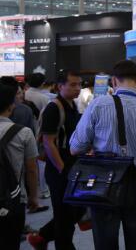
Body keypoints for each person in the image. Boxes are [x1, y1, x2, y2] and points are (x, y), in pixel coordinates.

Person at [69, 60, 136, 250]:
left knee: (105, 243)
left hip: (104, 182)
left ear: (113, 81)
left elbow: (75, 148)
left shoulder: (98, 105)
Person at [28, 70, 86, 250]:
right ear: (60, 86)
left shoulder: (72, 105)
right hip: (59, 169)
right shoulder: (54, 107)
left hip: (72, 166)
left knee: (74, 211)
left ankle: (42, 237)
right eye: (73, 84)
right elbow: (48, 142)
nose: (78, 88)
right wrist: (62, 169)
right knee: (65, 217)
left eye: (79, 84)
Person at [0, 83, 39, 250]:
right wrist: (33, 197)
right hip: (13, 199)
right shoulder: (24, 133)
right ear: (11, 106)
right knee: (10, 243)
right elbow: (31, 169)